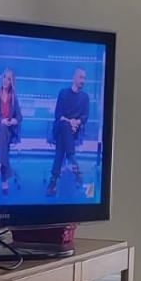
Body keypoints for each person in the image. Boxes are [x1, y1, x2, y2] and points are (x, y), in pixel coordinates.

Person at [47, 68, 90, 196]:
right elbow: (58, 115)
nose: (83, 81)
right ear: (74, 78)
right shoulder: (63, 93)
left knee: (61, 143)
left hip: (74, 131)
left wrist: (76, 122)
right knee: (64, 126)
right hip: (62, 127)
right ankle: (72, 159)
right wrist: (70, 122)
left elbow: (85, 117)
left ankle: (53, 180)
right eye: (81, 77)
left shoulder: (85, 97)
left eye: (84, 78)